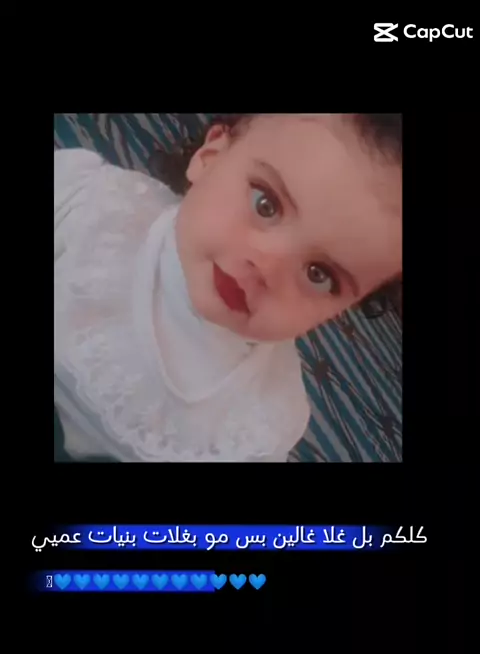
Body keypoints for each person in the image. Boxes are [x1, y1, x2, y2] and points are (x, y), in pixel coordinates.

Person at [54, 113, 402, 462]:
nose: (267, 266)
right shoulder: (92, 202)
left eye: (318, 274)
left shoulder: (264, 422)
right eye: (266, 204)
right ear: (210, 157)